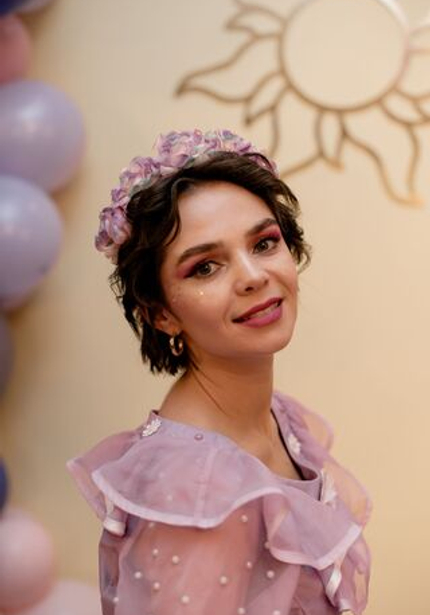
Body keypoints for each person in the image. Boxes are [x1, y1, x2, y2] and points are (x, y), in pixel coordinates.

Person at [67, 129, 371, 615]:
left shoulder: (281, 419)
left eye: (265, 243)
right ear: (159, 313)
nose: (253, 276)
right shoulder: (193, 490)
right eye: (205, 267)